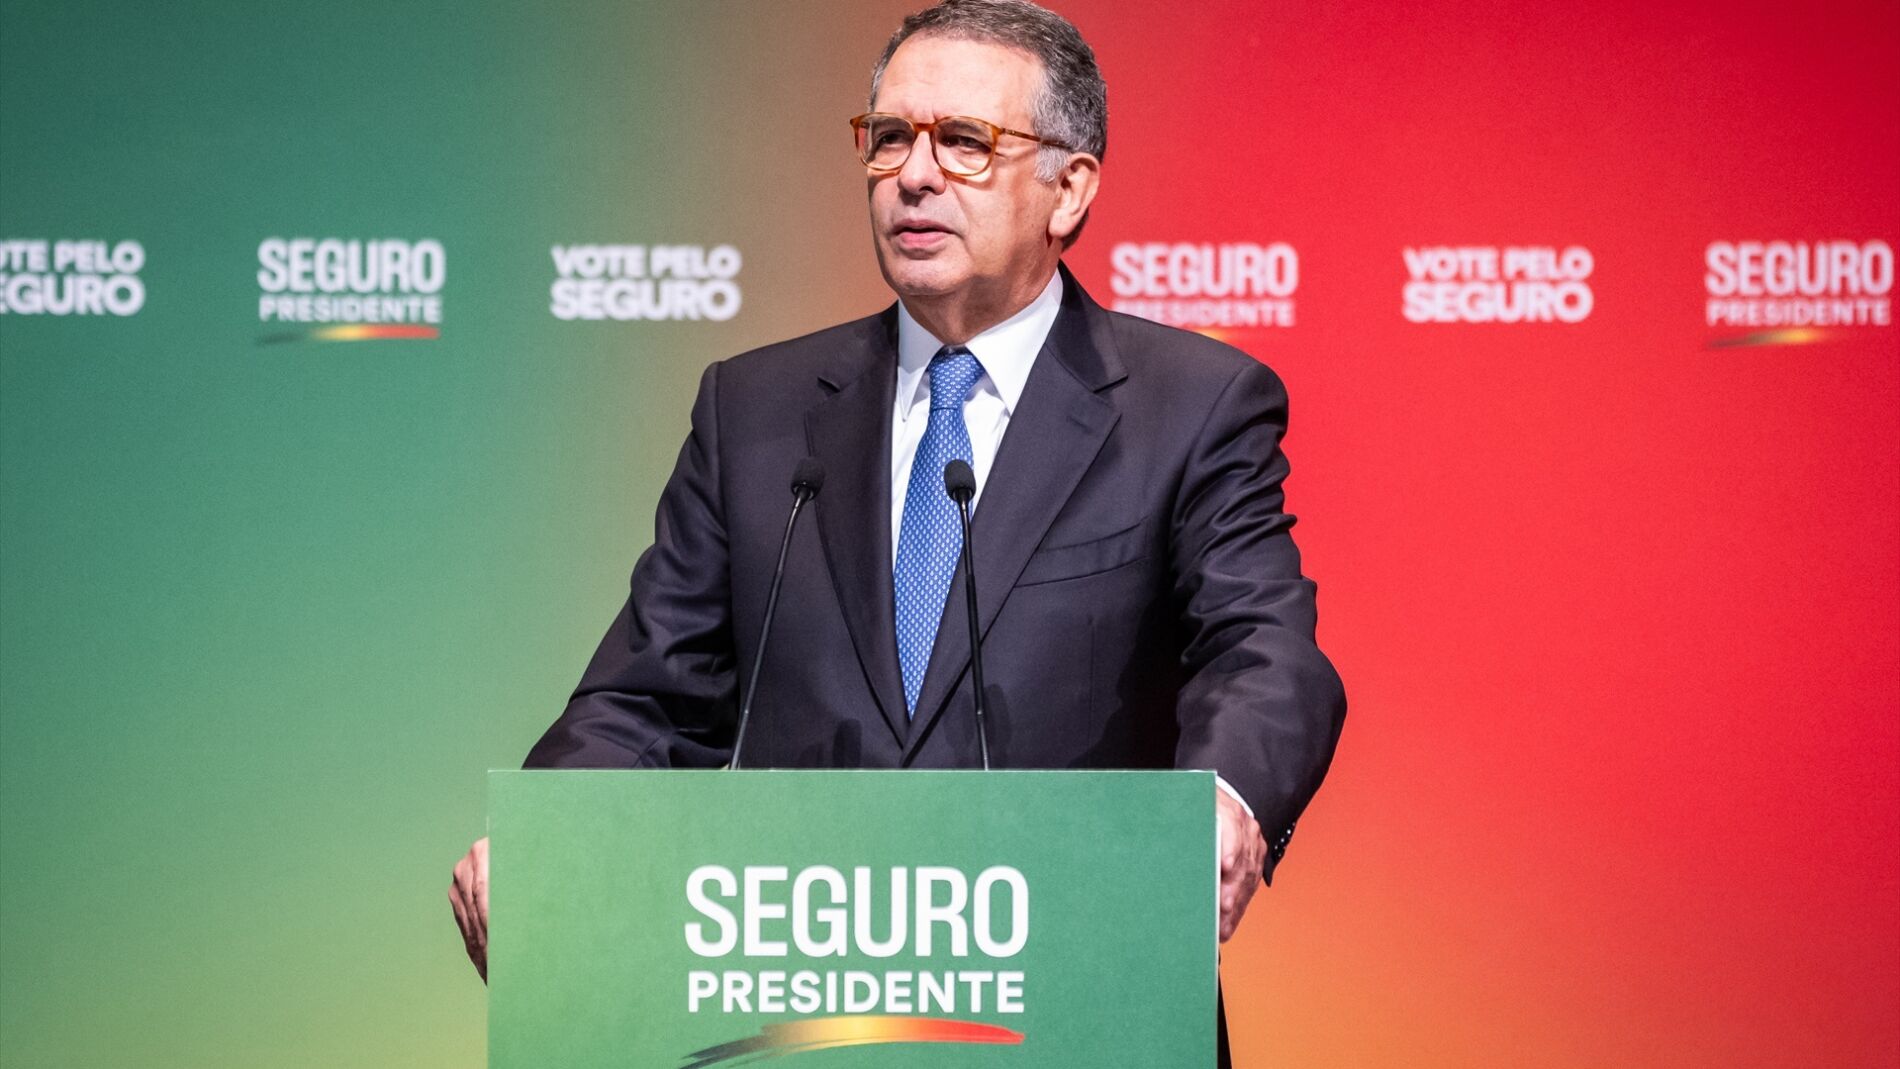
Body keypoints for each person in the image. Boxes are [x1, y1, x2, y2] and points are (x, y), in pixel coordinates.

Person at [450, 0, 1345, 1059]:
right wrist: (555, 834)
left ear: (1069, 189)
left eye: (963, 141)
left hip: (1075, 1003)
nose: (913, 175)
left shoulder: (1190, 405)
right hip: (804, 1012)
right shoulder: (759, 410)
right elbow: (646, 699)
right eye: (888, 139)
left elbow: (1264, 650)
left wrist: (1226, 802)